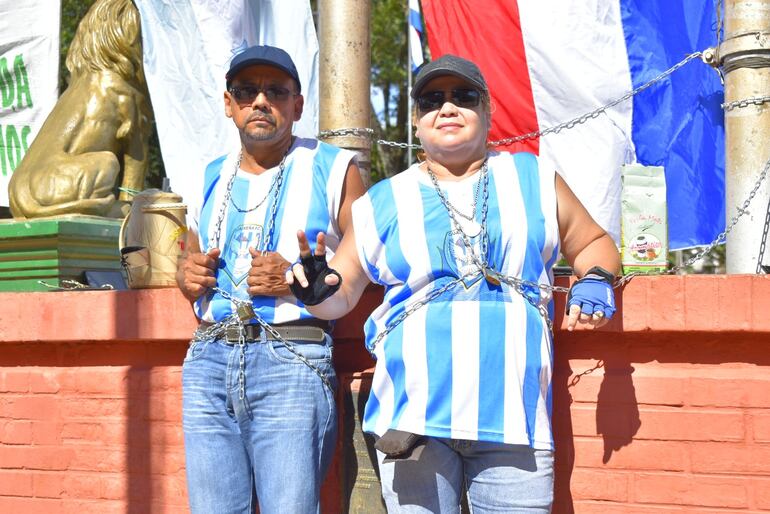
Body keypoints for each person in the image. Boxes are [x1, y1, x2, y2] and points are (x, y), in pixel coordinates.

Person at [287, 54, 620, 513]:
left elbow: (593, 243)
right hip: (413, 421)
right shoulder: (383, 200)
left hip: (515, 423)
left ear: (487, 111)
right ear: (416, 121)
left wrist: (597, 278)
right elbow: (340, 293)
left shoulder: (535, 179)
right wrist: (315, 292)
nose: (447, 108)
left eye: (463, 97)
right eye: (431, 100)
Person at [175, 45, 365, 514]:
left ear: (297, 106)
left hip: (291, 354)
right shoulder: (208, 176)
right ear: (228, 103)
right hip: (208, 356)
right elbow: (190, 261)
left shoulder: (336, 168)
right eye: (246, 91)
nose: (260, 101)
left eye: (275, 92)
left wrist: (295, 279)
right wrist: (187, 275)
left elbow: (360, 267)